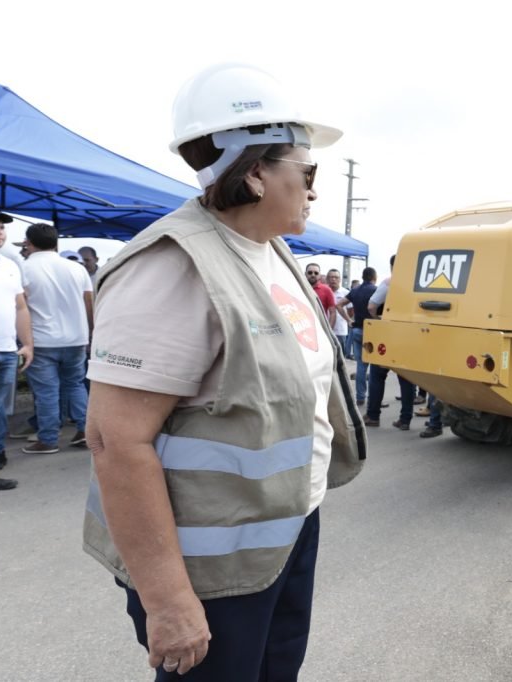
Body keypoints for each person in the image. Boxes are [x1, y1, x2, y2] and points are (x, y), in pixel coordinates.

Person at [82, 63, 366, 680]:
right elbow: (114, 441)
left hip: (284, 530)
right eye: (308, 172)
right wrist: (167, 601)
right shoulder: (173, 266)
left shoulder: (270, 251)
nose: (314, 191)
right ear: (257, 172)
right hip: (209, 566)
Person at [17, 223, 93, 454]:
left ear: (28, 243)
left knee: (46, 391)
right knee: (75, 384)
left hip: (41, 340)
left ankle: (48, 439)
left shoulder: (23, 269)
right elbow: (88, 302)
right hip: (77, 338)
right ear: (56, 242)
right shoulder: (76, 268)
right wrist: (90, 332)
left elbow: (19, 306)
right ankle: (85, 431)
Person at [0, 204, 33, 490]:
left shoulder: (10, 265)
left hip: (4, 352)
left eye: (1, 227)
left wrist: (27, 344)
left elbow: (20, 307)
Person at [365, 255, 416, 430]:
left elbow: (371, 306)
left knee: (377, 375)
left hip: (389, 334)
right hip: (409, 335)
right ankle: (405, 419)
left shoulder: (389, 282)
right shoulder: (418, 284)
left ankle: (373, 415)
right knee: (407, 379)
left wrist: (378, 319)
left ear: (393, 266)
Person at [337, 267, 377, 406]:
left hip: (357, 330)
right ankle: (374, 399)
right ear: (374, 277)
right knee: (375, 367)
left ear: (363, 276)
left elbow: (339, 304)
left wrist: (349, 320)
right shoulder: (376, 290)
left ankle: (360, 397)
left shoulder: (355, 290)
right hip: (373, 331)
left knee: (361, 365)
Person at [325, 268, 352, 359]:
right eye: (331, 277)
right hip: (325, 328)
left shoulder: (346, 293)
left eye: (336, 277)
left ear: (340, 279)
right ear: (327, 279)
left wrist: (345, 319)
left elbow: (351, 311)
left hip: (340, 330)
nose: (333, 279)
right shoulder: (324, 291)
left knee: (340, 356)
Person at [304, 262, 336, 328]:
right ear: (305, 274)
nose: (313, 275)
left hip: (320, 327)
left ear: (319, 275)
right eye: (310, 272)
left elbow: (333, 312)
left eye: (316, 273)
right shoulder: (300, 288)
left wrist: (329, 330)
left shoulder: (327, 290)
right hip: (303, 327)